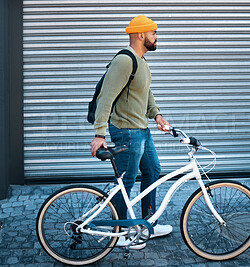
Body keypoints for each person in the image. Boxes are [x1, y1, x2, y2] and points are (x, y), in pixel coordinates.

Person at [90, 15, 173, 249]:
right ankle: (118, 231)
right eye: (154, 33)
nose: (156, 37)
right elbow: (106, 97)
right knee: (125, 182)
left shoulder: (141, 61)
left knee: (153, 171)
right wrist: (100, 133)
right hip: (126, 131)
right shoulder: (125, 61)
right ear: (140, 34)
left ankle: (146, 224)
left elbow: (146, 94)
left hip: (141, 130)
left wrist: (156, 114)